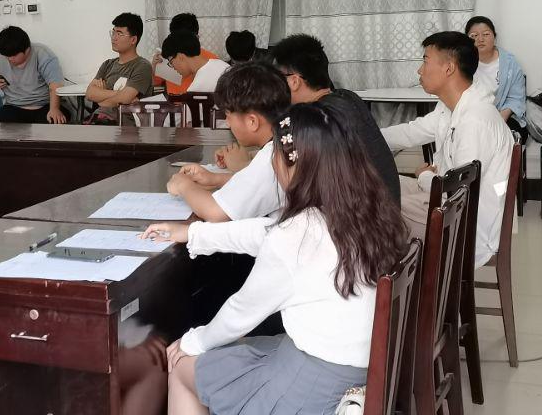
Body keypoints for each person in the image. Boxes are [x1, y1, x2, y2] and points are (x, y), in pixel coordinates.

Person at [144, 103, 407, 415]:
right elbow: (267, 233)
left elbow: (242, 310)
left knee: (183, 367)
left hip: (312, 387)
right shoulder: (366, 212)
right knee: (236, 350)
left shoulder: (298, 234)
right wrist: (194, 234)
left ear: (291, 164)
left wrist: (192, 342)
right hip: (367, 373)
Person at [381, 31, 512, 267]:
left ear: (449, 68)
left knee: (378, 206)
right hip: (444, 197)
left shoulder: (475, 119)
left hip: (467, 224)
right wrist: (365, 136)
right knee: (377, 183)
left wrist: (424, 177)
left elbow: (459, 192)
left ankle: (384, 282)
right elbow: (412, 132)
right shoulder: (451, 106)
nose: (419, 70)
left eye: (425, 61)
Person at [271, 33, 400, 203]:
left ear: (294, 81)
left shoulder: (316, 117)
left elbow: (295, 184)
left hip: (358, 216)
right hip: (386, 209)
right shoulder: (347, 97)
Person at [168, 62, 290, 222]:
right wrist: (215, 179)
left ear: (252, 121)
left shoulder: (271, 159)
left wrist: (183, 185)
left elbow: (216, 212)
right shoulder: (286, 141)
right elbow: (256, 185)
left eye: (228, 115)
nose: (227, 122)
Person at [0, 26, 67, 124]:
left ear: (27, 49)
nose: (10, 59)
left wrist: (54, 109)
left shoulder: (42, 54)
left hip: (45, 106)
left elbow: (55, 84)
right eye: (7, 56)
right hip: (14, 107)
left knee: (55, 123)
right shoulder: (0, 56)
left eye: (14, 55)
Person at [465, 15, 528, 140]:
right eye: (474, 35)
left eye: (486, 34)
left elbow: (516, 98)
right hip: (472, 116)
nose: (480, 39)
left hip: (503, 115)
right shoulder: (462, 64)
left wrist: (499, 120)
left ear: (495, 37)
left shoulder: (510, 63)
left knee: (506, 137)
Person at [85, 13, 154, 123]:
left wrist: (102, 96)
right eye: (113, 32)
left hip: (126, 125)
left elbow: (125, 98)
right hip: (101, 120)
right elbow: (90, 93)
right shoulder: (107, 64)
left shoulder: (142, 66)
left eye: (119, 33)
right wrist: (119, 94)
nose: (114, 38)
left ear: (133, 40)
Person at [152, 13, 219, 95]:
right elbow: (156, 84)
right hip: (173, 101)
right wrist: (154, 67)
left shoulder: (212, 61)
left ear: (196, 37)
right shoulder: (169, 57)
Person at [161, 31, 230, 93]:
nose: (173, 67)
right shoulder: (223, 65)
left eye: (171, 62)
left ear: (180, 56)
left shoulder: (196, 90)